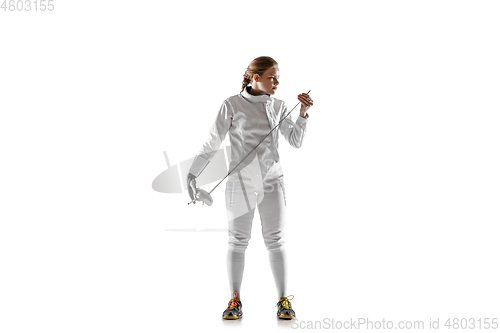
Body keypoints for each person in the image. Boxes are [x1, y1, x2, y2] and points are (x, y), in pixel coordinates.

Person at [187, 56, 314, 320]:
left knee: (275, 240)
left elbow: (296, 141)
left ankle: (283, 301)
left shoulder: (279, 105)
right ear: (255, 78)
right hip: (239, 184)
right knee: (237, 241)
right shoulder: (231, 105)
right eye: (272, 77)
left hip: (272, 181)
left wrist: (302, 114)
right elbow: (211, 144)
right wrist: (192, 175)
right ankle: (235, 300)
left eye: (278, 77)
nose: (277, 82)